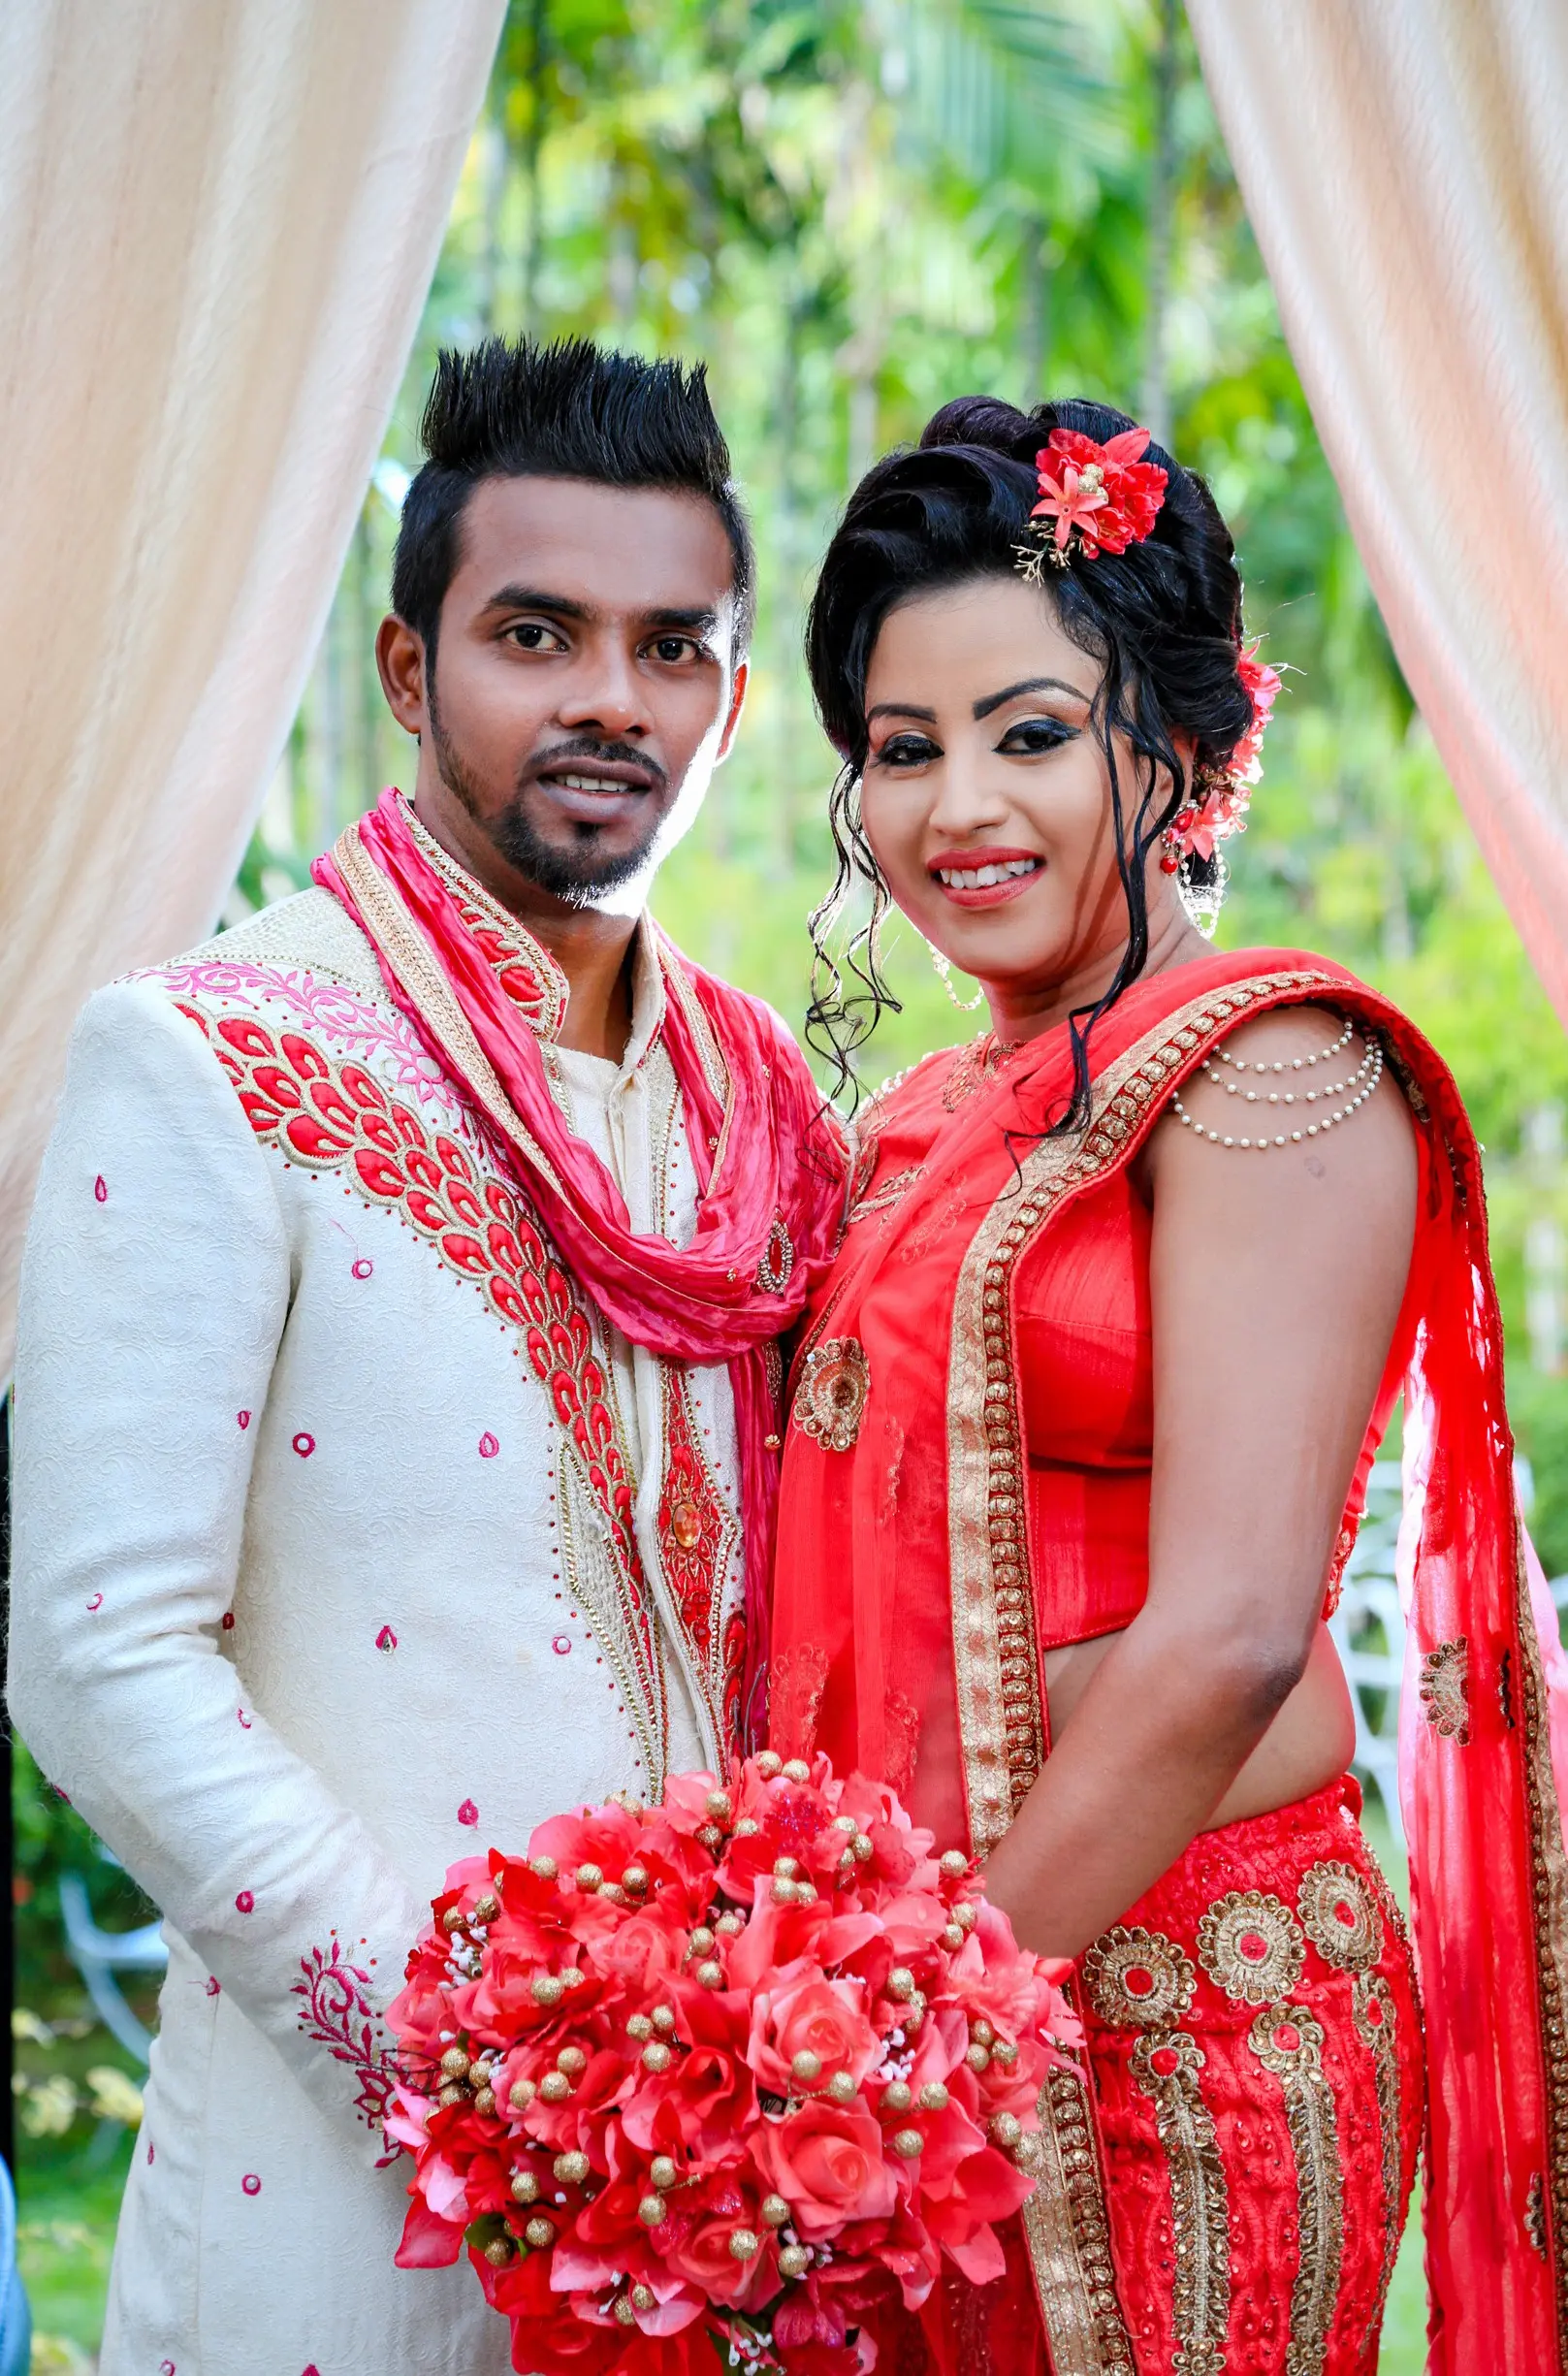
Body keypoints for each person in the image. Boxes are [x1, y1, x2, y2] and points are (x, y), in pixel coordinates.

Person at [8, 337, 843, 2376]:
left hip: (731, 2201)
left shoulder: (768, 1116)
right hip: (351, 2203)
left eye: (673, 647)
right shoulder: (215, 1056)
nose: (608, 700)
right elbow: (98, 1653)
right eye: (535, 634)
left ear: (729, 706)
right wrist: (484, 2068)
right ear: (407, 670)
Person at [770, 396, 1568, 2376]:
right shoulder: (933, 1111)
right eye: (902, 746)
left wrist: (914, 2032)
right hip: (928, 1992)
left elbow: (1221, 1630)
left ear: (1184, 745)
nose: (960, 802)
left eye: (1029, 731)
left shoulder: (1266, 1071)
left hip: (1178, 2030)